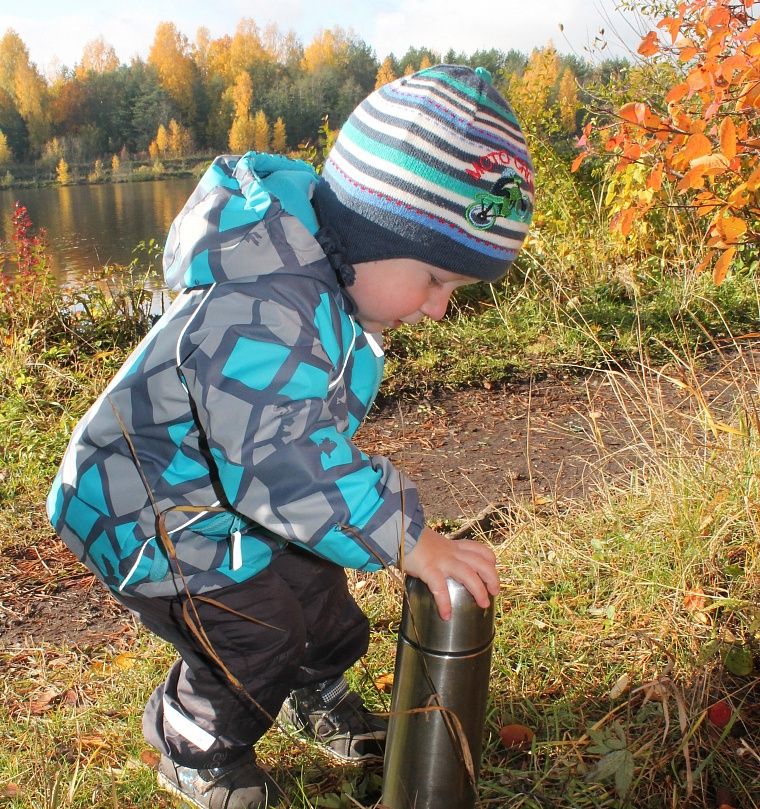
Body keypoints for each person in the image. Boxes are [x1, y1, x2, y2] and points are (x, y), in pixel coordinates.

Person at [46, 64, 533, 809]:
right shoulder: (266, 300)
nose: (437, 310)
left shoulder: (328, 281)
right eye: (435, 280)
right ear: (376, 227)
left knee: (325, 607)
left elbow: (296, 445)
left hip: (220, 492)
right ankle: (192, 745)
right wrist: (408, 536)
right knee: (256, 638)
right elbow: (284, 462)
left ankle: (315, 697)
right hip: (148, 506)